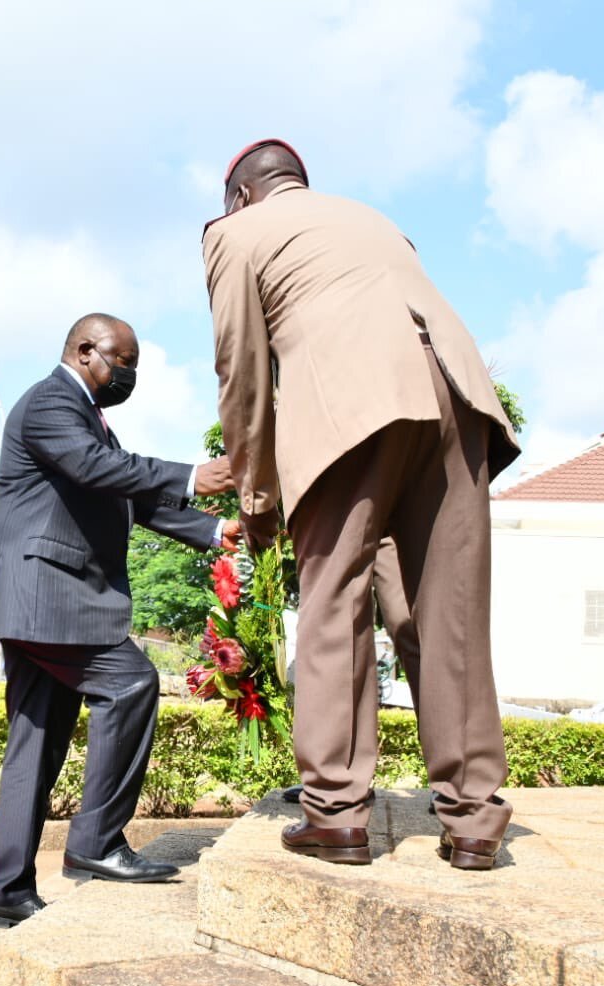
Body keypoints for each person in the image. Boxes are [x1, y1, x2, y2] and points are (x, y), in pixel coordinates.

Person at [204, 141, 519, 871]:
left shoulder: (233, 234)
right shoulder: (371, 219)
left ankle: (336, 812)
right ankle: (473, 817)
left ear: (241, 197)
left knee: (331, 603)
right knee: (447, 612)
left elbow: (242, 372)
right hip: (458, 398)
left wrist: (256, 500)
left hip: (352, 402)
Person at [0, 312, 238, 929]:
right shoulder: (49, 404)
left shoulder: (85, 418)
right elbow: (98, 470)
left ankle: (5, 893)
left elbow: (125, 493)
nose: (130, 374)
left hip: (42, 596)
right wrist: (194, 477)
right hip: (45, 592)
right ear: (85, 349)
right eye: (124, 362)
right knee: (130, 682)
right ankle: (96, 843)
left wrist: (215, 530)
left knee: (34, 746)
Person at [282, 536, 419, 804]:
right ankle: (336, 779)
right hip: (344, 505)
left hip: (396, 511)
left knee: (412, 625)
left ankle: (457, 783)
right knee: (335, 624)